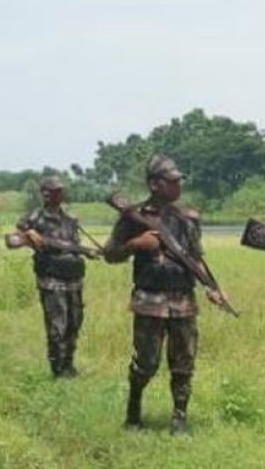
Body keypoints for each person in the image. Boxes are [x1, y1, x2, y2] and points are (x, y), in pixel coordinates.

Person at [103, 154, 231, 434]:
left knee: (184, 363)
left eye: (178, 181)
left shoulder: (187, 218)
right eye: (171, 181)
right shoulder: (132, 217)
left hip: (183, 301)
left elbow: (195, 258)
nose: (178, 186)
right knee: (146, 363)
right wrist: (136, 243)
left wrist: (212, 287)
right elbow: (109, 254)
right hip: (149, 301)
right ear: (155, 184)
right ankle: (134, 408)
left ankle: (179, 418)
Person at [17, 176, 89, 378]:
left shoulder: (70, 219)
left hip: (74, 278)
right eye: (55, 190)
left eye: (61, 190)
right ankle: (58, 370)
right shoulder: (35, 217)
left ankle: (69, 365)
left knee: (75, 322)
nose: (60, 194)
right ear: (45, 193)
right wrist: (30, 234)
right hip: (52, 278)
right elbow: (15, 237)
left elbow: (75, 245)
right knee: (58, 325)